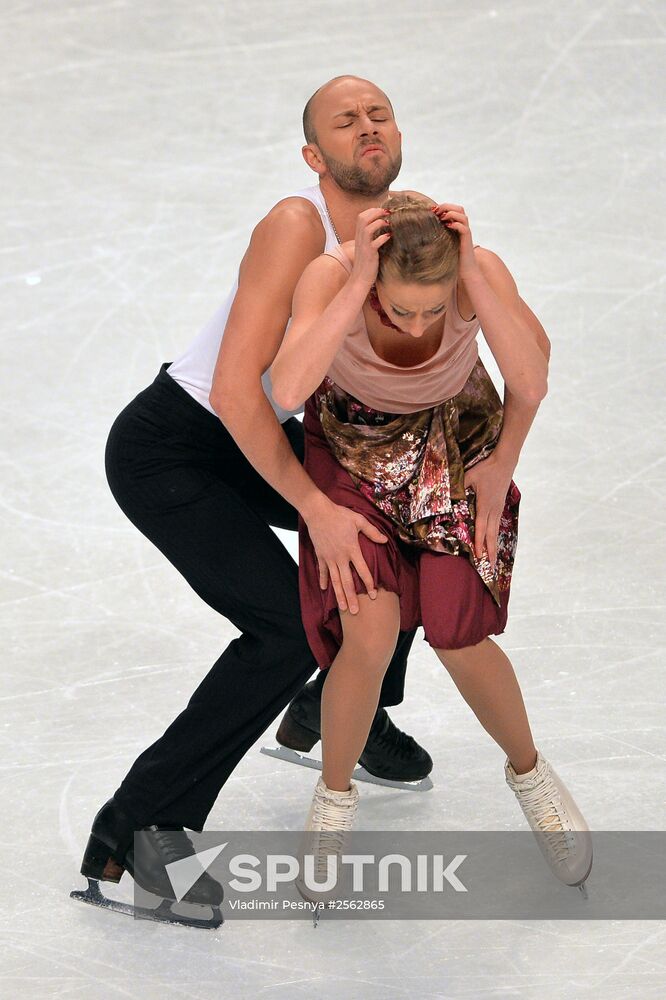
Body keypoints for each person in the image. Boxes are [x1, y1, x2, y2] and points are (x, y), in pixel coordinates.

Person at [76, 76, 443, 914]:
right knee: (284, 627)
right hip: (176, 446)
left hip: (259, 440)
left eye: (379, 114)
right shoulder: (296, 225)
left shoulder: (403, 228)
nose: (368, 128)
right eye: (345, 122)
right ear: (316, 156)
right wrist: (315, 507)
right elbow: (243, 395)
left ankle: (342, 704)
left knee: (416, 529)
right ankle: (137, 829)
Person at [269, 195, 593, 897]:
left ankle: (532, 775)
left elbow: (531, 379)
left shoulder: (476, 276)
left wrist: (503, 462)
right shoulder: (336, 277)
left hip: (457, 443)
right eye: (398, 308)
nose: (416, 323)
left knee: (457, 633)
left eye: (431, 309)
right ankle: (332, 801)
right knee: (369, 628)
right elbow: (289, 386)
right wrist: (356, 284)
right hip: (353, 452)